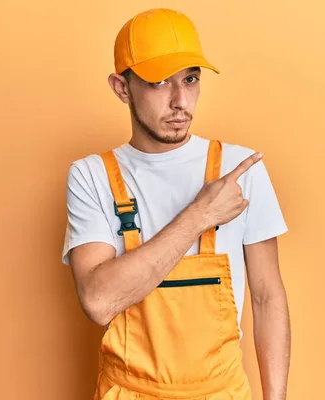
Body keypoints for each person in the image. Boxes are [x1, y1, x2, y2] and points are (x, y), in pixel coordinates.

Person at [62, 8, 291, 400]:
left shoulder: (240, 168)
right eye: (159, 82)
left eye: (190, 79)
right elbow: (99, 301)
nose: (180, 101)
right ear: (121, 87)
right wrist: (201, 214)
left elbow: (267, 296)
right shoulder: (92, 176)